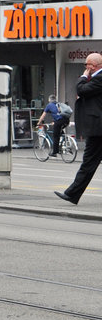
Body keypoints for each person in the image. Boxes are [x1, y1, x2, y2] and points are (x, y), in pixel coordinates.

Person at [58, 52, 102, 205]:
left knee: (88, 163)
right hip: (97, 128)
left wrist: (83, 77)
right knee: (89, 163)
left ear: (94, 66)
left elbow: (81, 90)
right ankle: (72, 194)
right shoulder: (96, 78)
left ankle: (72, 194)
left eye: (87, 65)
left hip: (98, 129)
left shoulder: (99, 78)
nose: (86, 67)